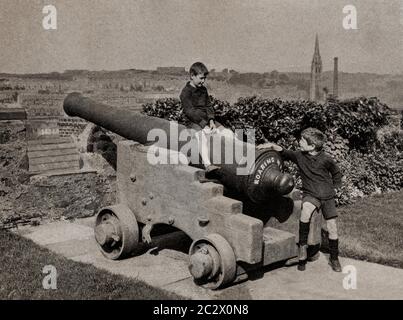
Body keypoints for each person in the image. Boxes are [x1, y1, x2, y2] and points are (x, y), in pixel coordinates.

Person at [257, 128, 343, 272]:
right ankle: (302, 249)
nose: (299, 142)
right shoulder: (299, 156)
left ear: (312, 146)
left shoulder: (326, 159)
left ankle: (334, 258)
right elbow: (283, 151)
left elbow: (336, 173)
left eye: (302, 141)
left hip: (327, 196)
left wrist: (335, 188)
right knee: (305, 212)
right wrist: (270, 145)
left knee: (332, 227)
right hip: (311, 194)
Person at [180, 62, 234, 173]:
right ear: (192, 76)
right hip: (194, 122)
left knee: (228, 133)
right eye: (201, 78)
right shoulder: (185, 93)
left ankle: (234, 159)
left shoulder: (203, 90)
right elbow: (190, 112)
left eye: (204, 78)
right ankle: (208, 165)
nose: (203, 81)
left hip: (207, 121)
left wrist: (211, 120)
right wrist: (204, 125)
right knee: (202, 138)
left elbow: (208, 105)